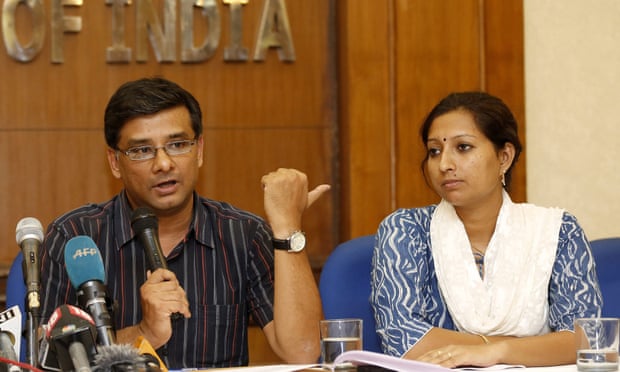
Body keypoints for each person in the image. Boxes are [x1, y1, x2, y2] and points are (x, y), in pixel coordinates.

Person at [39, 77, 329, 368]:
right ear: (115, 162)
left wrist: (288, 228)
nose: (163, 163)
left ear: (199, 150)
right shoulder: (74, 239)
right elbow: (48, 362)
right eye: (142, 150)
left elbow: (303, 350)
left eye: (177, 144)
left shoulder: (243, 235)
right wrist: (143, 333)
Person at [370, 91, 602, 368]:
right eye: (435, 151)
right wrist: (531, 347)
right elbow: (405, 342)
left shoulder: (557, 232)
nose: (445, 164)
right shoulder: (405, 232)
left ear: (504, 157)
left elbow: (587, 339)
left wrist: (495, 352)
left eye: (463, 147)